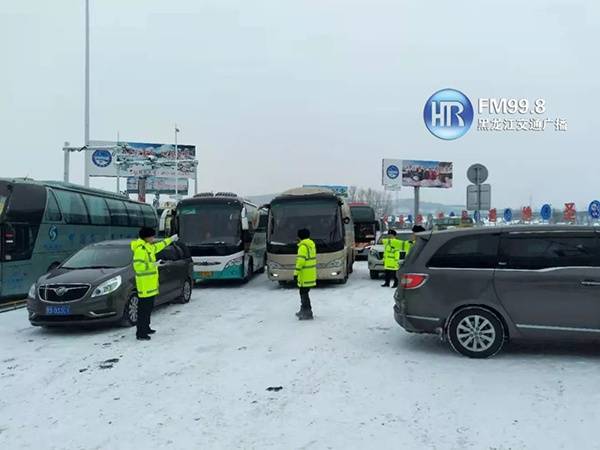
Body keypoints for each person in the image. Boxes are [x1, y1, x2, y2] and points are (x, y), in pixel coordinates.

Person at [131, 227, 179, 340]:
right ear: (146, 237)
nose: (153, 238)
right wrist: (153, 265)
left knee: (148, 308)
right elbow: (138, 267)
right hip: (144, 286)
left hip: (150, 285)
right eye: (152, 236)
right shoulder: (140, 250)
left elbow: (160, 245)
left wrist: (170, 239)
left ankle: (146, 328)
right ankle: (141, 333)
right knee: (143, 310)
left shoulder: (149, 247)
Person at [294, 228, 317, 320]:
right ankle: (304, 310)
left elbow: (300, 262)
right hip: (310, 274)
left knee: (303, 293)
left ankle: (307, 312)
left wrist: (295, 273)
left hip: (304, 275)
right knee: (304, 292)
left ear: (299, 237)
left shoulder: (303, 247)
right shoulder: (311, 245)